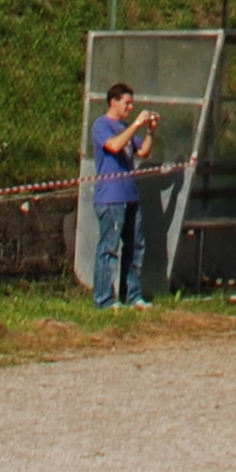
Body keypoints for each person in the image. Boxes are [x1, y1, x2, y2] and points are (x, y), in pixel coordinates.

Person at [90, 82, 157, 307]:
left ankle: (132, 294)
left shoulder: (125, 126)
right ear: (113, 102)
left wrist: (149, 131)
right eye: (126, 103)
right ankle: (104, 298)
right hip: (111, 197)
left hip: (130, 195)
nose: (130, 107)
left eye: (131, 104)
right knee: (109, 248)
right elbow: (114, 146)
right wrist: (136, 124)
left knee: (135, 246)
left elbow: (143, 152)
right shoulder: (102, 125)